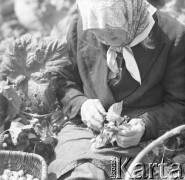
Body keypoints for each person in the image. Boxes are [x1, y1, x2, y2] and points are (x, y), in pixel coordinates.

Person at [48, 0, 185, 179]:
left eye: (112, 36)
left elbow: (179, 102)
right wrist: (81, 104)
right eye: (97, 34)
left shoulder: (172, 35)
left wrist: (145, 125)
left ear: (131, 15)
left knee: (139, 171)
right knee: (81, 171)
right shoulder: (81, 26)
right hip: (86, 131)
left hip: (144, 137)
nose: (105, 40)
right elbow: (63, 80)